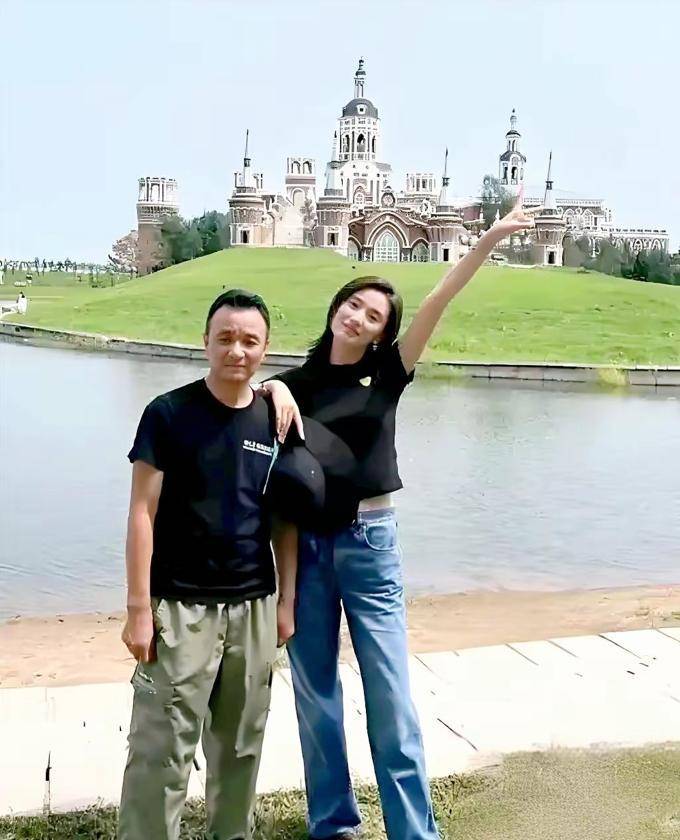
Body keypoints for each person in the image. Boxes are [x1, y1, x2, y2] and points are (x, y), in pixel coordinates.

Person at [263, 194, 541, 839]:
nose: (358, 317)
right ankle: (333, 824)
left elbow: (440, 296)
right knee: (315, 694)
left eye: (374, 316)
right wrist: (272, 385)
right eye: (353, 304)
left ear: (382, 333)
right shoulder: (292, 386)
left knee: (389, 696)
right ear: (336, 307)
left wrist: (491, 237)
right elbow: (250, 413)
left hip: (369, 543)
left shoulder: (388, 372)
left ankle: (413, 831)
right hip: (309, 548)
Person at [118, 289, 299, 840]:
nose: (236, 351)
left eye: (249, 341)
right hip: (179, 605)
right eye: (225, 339)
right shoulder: (168, 413)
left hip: (254, 604)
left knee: (242, 744)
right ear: (205, 342)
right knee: (162, 749)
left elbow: (284, 521)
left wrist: (287, 602)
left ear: (265, 349)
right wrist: (138, 609)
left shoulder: (275, 419)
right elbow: (142, 512)